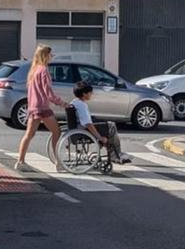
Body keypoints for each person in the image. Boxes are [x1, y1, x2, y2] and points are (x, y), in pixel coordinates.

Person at [15, 44, 67, 172]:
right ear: (45, 55)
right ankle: (57, 162)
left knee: (29, 134)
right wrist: (62, 103)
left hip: (33, 107)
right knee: (57, 132)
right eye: (51, 54)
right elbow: (48, 92)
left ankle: (20, 161)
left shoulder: (34, 70)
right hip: (43, 108)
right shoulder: (44, 70)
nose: (52, 57)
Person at [70, 81, 131, 164]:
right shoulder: (82, 106)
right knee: (111, 126)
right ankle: (116, 154)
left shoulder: (74, 102)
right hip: (83, 131)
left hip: (78, 129)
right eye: (90, 92)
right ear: (84, 94)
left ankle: (112, 151)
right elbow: (88, 124)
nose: (92, 94)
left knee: (105, 126)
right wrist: (100, 137)